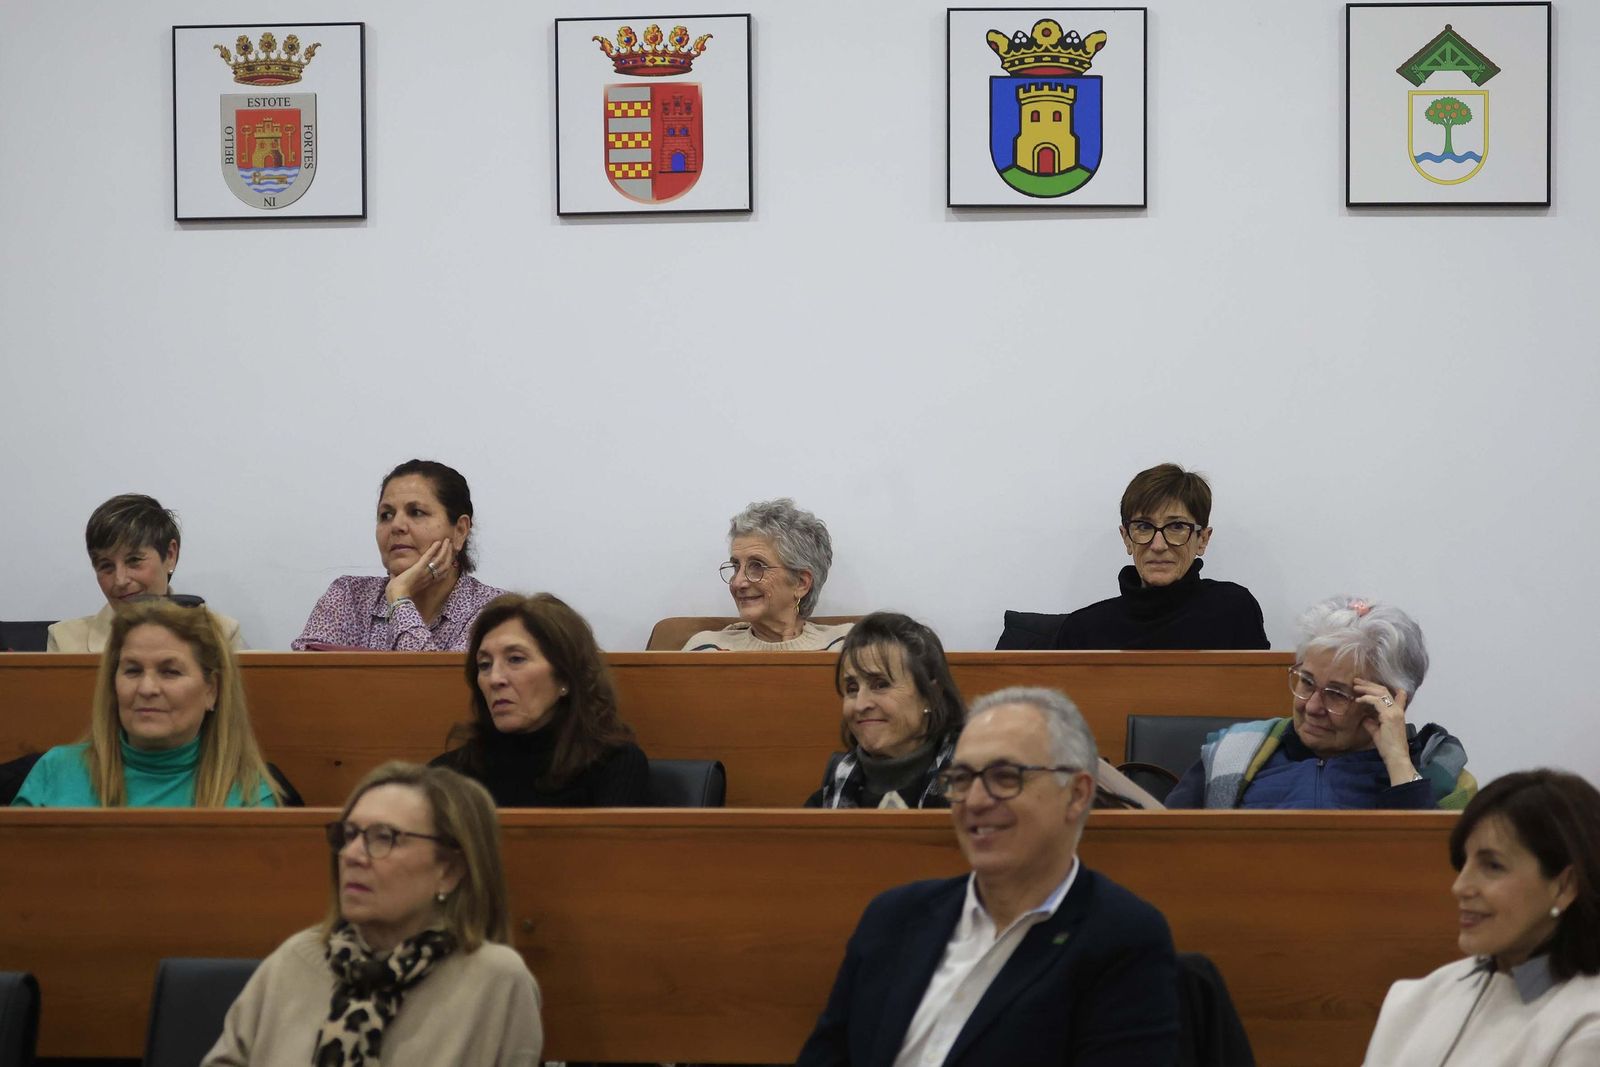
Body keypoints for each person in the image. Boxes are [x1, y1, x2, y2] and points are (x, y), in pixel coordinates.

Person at [796, 686, 1180, 1066]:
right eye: (961, 779)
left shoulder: (1122, 939)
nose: (976, 801)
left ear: (1077, 794)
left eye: (1005, 776)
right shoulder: (892, 918)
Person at [203, 762, 543, 1066]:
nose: (352, 855)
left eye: (384, 838)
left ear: (449, 870)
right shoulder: (295, 961)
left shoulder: (496, 982)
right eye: (349, 835)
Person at [1364, 769, 1600, 1066]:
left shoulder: (1587, 1026)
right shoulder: (1414, 998)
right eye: (1463, 863)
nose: (1460, 887)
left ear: (1565, 886)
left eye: (1493, 866)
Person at [1165, 596, 1475, 810]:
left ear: (1386, 701)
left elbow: (1433, 877)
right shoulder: (1233, 752)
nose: (1311, 706)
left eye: (1337, 694)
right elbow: (1163, 851)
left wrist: (1398, 763)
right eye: (1307, 682)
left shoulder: (1441, 775)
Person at [14, 599, 278, 807]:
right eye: (132, 670)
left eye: (170, 671)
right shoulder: (54, 774)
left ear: (211, 689)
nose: (147, 688)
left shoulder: (250, 795)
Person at [996, 463, 1268, 650]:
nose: (1158, 545)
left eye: (1176, 527)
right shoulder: (1082, 630)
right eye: (1144, 527)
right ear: (1127, 538)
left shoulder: (1233, 610)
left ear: (1203, 539)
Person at [432, 593, 649, 806]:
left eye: (516, 659)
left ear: (565, 676)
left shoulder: (614, 765)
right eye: (485, 665)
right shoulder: (448, 776)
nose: (494, 679)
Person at [292, 460, 507, 651]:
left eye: (416, 512)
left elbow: (437, 688)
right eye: (386, 515)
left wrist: (399, 598)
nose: (396, 526)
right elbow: (301, 683)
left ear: (460, 530)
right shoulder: (348, 597)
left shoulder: (495, 611)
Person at [806, 612, 965, 809]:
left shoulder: (979, 790)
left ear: (930, 696)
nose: (860, 705)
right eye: (852, 689)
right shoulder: (828, 798)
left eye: (881, 685)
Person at [48, 493, 244, 652]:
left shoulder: (221, 635)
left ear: (169, 555)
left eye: (134, 560)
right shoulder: (65, 641)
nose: (120, 580)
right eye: (106, 566)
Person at [683, 498, 852, 651]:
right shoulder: (706, 649)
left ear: (801, 583)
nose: (737, 583)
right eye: (736, 567)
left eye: (757, 566)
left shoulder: (847, 647)